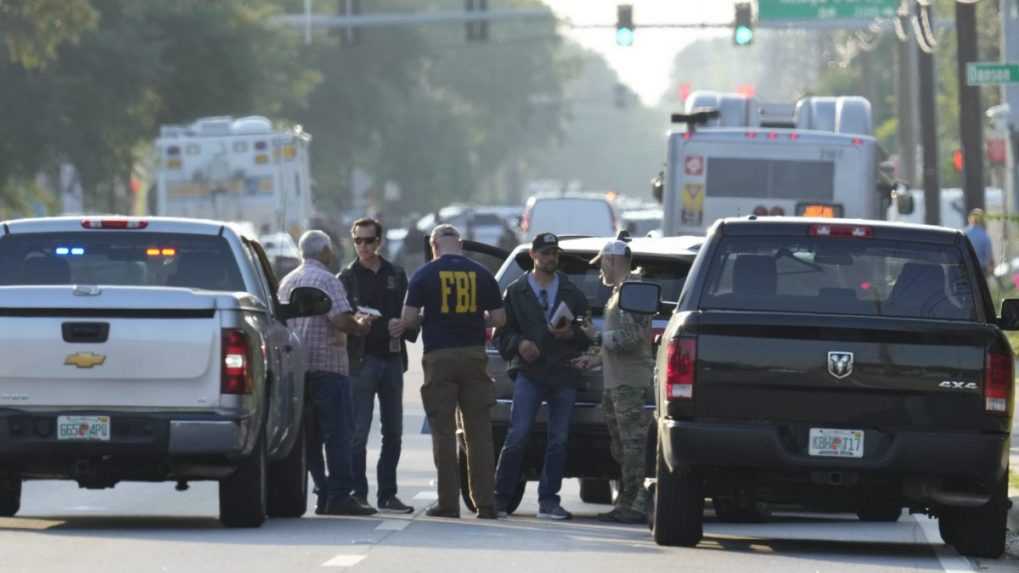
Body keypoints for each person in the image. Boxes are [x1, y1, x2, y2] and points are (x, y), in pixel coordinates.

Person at [401, 224, 506, 519]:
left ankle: (448, 503)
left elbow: (408, 319)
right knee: (479, 432)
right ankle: (485, 503)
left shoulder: (424, 275)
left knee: (444, 431)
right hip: (474, 356)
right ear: (459, 244)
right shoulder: (482, 274)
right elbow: (499, 317)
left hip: (439, 358)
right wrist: (473, 320)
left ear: (434, 246)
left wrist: (430, 317)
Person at [277, 230, 377, 516]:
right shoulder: (327, 280)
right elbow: (340, 320)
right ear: (323, 252)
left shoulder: (287, 281)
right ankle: (340, 495)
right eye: (330, 250)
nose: (332, 254)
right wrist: (361, 325)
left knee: (309, 436)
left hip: (298, 369)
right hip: (329, 368)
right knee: (339, 434)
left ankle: (322, 490)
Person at [494, 232, 590, 520]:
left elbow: (586, 335)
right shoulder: (515, 290)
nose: (551, 258)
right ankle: (500, 498)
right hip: (529, 372)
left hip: (563, 371)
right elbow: (501, 333)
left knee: (559, 439)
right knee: (518, 434)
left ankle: (549, 500)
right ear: (534, 256)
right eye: (546, 253)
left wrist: (572, 333)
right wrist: (519, 345)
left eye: (554, 253)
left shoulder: (571, 293)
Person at [339, 218, 417, 514]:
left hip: (392, 358)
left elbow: (412, 314)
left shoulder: (395, 273)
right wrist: (356, 324)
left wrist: (405, 324)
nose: (364, 247)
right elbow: (338, 318)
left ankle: (388, 494)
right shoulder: (347, 276)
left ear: (379, 241)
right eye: (358, 241)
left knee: (394, 430)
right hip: (360, 361)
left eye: (369, 241)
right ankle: (358, 493)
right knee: (358, 431)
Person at [575, 239, 653, 524]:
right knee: (622, 446)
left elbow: (630, 339)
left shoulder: (632, 292)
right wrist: (594, 358)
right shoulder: (621, 293)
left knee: (632, 446)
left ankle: (636, 503)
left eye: (602, 265)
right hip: (617, 382)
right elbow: (618, 341)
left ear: (611, 260)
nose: (600, 273)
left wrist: (594, 338)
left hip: (630, 383)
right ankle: (627, 499)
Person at [964, 208, 994, 277]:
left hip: (966, 267)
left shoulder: (964, 233)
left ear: (970, 218)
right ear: (981, 220)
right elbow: (988, 255)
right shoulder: (984, 235)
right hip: (981, 269)